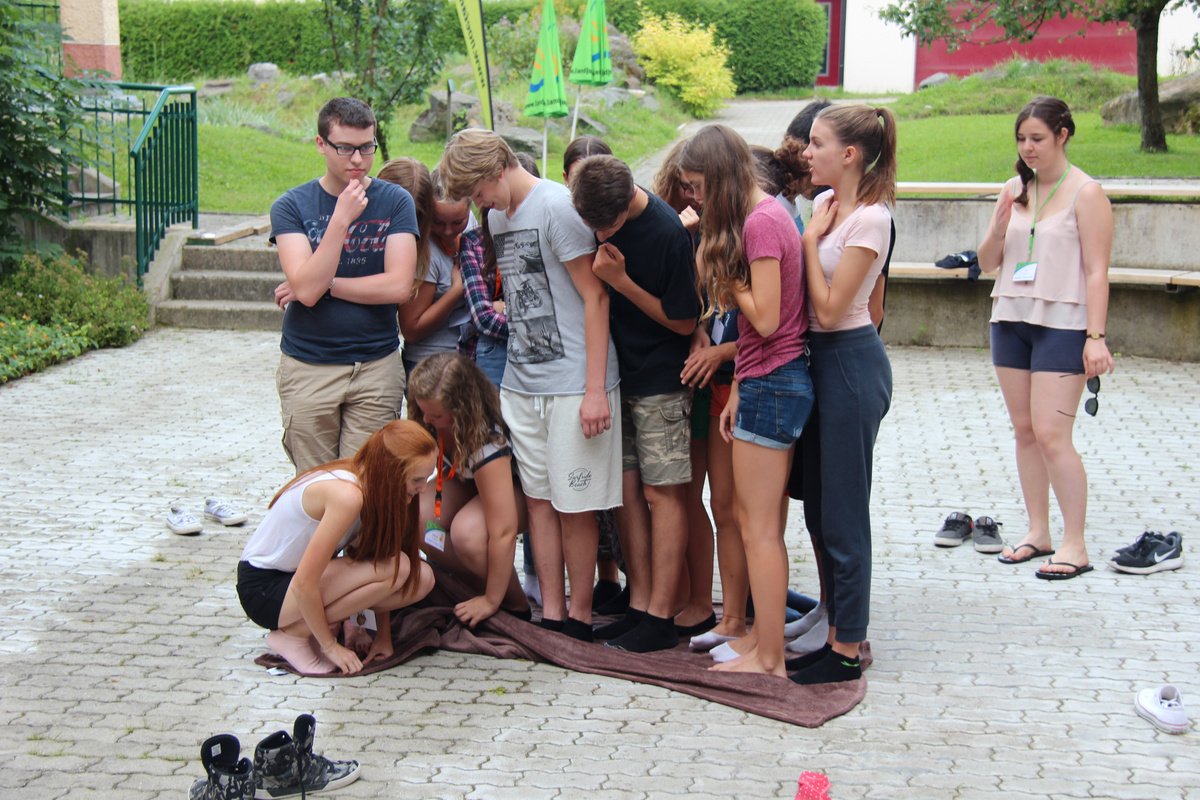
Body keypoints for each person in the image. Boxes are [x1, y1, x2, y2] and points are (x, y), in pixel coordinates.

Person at [439, 129, 622, 642]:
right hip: (522, 383)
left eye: (479, 191)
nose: (479, 204)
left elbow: (596, 298)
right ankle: (554, 615)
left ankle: (580, 617)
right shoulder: (498, 216)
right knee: (538, 501)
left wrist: (593, 390)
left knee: (574, 505)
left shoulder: (557, 206)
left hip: (573, 382)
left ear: (498, 169)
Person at [678, 124, 813, 677]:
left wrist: (727, 272)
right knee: (759, 528)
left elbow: (766, 318)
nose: (694, 198)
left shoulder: (759, 222)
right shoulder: (766, 216)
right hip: (763, 380)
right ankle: (761, 645)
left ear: (719, 176)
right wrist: (738, 388)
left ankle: (770, 657)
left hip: (774, 382)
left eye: (697, 186)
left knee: (758, 531)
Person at [978, 96, 1114, 580]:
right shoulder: (1014, 189)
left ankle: (1075, 543)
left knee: (1054, 435)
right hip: (1010, 318)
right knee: (1025, 430)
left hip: (1064, 323)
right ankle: (1039, 532)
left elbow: (1097, 272)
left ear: (1063, 135)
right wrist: (999, 227)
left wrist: (1095, 337)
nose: (1028, 148)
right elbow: (988, 262)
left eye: (1037, 138)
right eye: (1021, 139)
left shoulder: (1087, 193)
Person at [569, 154, 701, 652]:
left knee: (662, 494)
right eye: (592, 225)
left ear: (628, 200)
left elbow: (684, 321)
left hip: (661, 380)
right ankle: (640, 604)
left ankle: (662, 615)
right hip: (617, 377)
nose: (599, 234)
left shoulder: (667, 232)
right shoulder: (598, 210)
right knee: (625, 491)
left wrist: (622, 282)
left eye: (607, 225)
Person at [791, 104, 896, 685]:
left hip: (850, 362)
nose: (806, 152)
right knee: (818, 508)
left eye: (817, 143)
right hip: (818, 363)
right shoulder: (827, 204)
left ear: (849, 154)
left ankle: (848, 648)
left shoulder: (871, 220)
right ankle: (834, 630)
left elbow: (832, 311)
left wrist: (810, 242)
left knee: (845, 513)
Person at [269, 97, 418, 473]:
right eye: (346, 148)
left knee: (367, 483)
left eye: (367, 147)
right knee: (316, 484)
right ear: (321, 144)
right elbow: (306, 293)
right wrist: (340, 220)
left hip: (375, 365)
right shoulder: (291, 205)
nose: (358, 160)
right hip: (308, 365)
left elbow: (398, 286)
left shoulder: (395, 201)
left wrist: (327, 283)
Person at [236, 420, 437, 675]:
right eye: (417, 479)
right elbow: (304, 583)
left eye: (427, 478)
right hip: (264, 590)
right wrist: (330, 647)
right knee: (400, 567)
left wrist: (382, 637)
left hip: (293, 583)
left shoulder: (371, 484)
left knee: (422, 578)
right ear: (391, 472)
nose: (423, 488)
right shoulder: (347, 496)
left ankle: (302, 630)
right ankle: (294, 636)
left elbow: (377, 556)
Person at [407, 352, 531, 625]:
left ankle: (512, 603)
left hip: (518, 490)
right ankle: (473, 585)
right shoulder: (429, 418)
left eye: (436, 415)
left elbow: (503, 531)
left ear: (461, 410)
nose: (426, 420)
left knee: (468, 535)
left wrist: (492, 600)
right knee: (419, 519)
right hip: (468, 483)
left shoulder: (488, 438)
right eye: (422, 410)